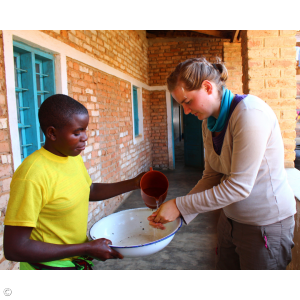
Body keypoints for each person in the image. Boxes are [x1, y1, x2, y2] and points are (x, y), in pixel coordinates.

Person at [148, 57, 297, 270]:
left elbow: (239, 187)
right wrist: (179, 212)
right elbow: (212, 176)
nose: (187, 112)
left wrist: (179, 205)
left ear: (207, 87)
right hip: (229, 220)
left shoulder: (250, 114)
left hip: (264, 226)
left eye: (188, 102)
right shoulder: (209, 122)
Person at [4, 94, 145, 270]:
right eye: (77, 132)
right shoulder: (32, 175)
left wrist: (134, 183)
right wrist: (86, 248)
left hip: (74, 262)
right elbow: (14, 248)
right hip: (48, 268)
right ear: (52, 133)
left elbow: (89, 190)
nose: (84, 137)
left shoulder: (70, 156)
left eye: (85, 130)